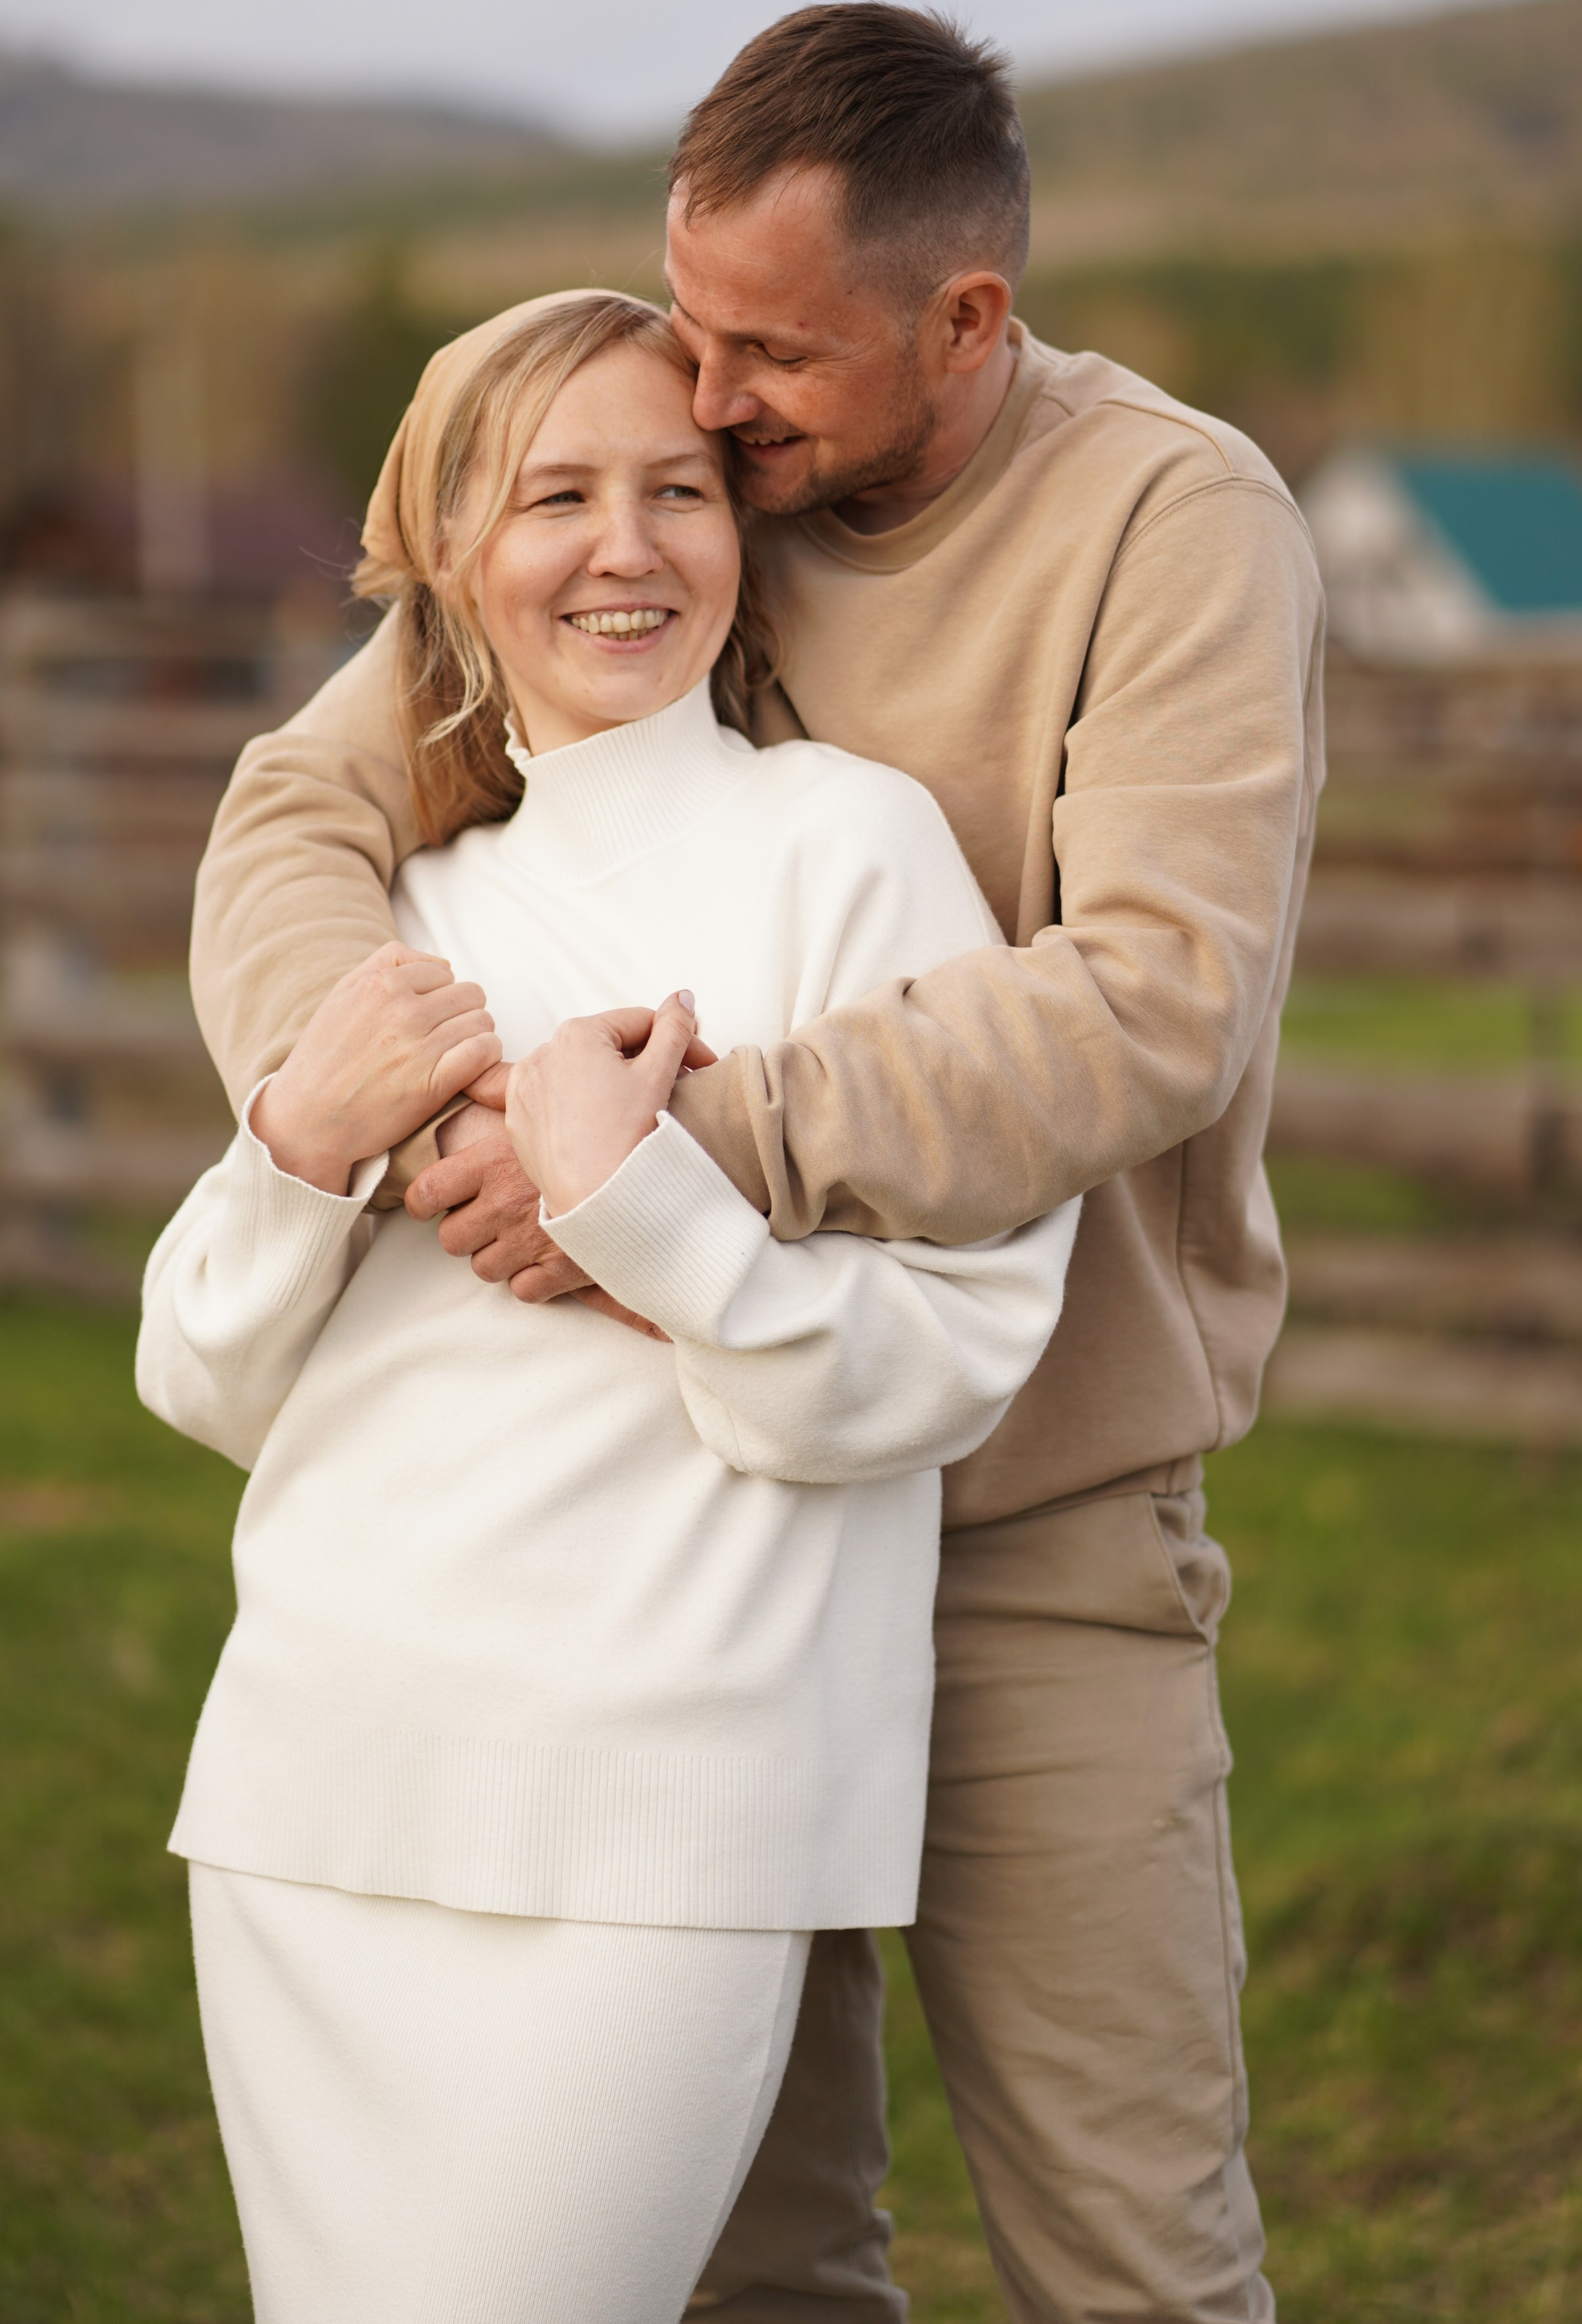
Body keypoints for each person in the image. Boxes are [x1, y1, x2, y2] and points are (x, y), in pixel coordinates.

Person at [191, 7, 1326, 2324]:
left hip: (1028, 1515)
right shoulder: (704, 502)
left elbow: (1156, 1000)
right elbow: (309, 806)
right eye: (688, 327)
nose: (700, 407)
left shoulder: (1171, 521)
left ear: (965, 322)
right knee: (753, 2268)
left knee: (1125, 2245)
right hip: (690, 1571)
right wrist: (402, 1100)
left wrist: (671, 1143)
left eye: (767, 356)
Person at [140, 289, 1076, 2324]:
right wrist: (304, 1136)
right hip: (319, 1787)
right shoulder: (402, 913)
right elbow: (202, 1369)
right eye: (556, 495)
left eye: (677, 491)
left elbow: (951, 1354)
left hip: (673, 1812)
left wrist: (643, 1205)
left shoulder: (852, 850)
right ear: (454, 562)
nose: (627, 546)